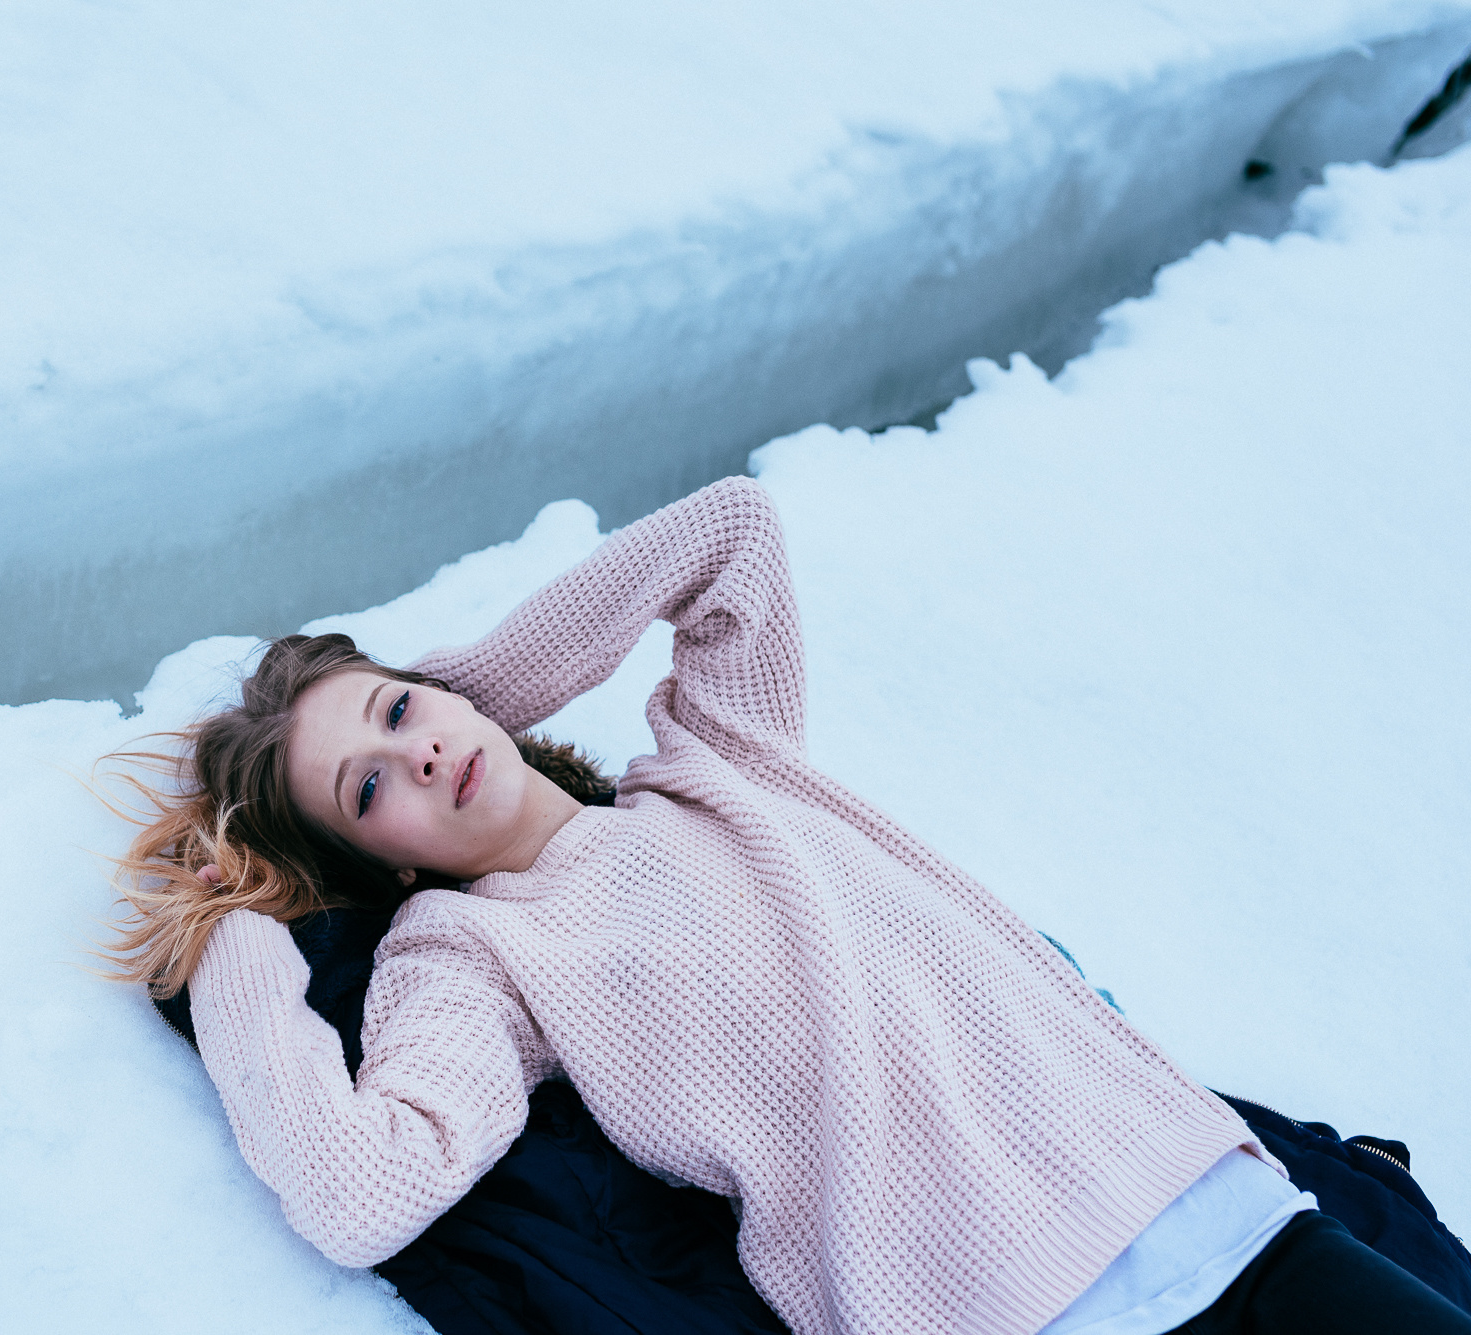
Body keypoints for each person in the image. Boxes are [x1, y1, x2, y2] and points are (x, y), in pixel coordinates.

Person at [104, 478, 1471, 1335]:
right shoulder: (469, 955)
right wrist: (234, 937)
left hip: (1225, 1212)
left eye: (403, 712)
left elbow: (731, 537)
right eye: (369, 787)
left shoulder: (723, 761)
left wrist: (469, 701)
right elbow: (357, 1195)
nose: (417, 755)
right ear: (380, 862)